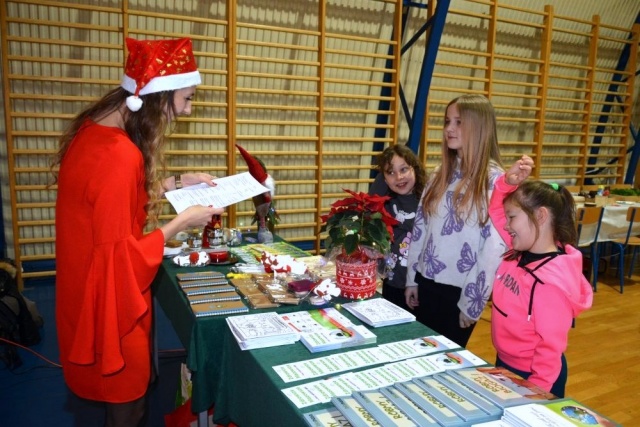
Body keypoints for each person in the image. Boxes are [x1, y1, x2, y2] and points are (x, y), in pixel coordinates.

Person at [52, 37, 224, 426]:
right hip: (111, 302)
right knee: (128, 405)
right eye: (187, 98)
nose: (187, 109)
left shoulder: (94, 131)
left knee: (122, 397)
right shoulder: (121, 155)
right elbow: (121, 258)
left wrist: (174, 183)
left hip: (85, 287)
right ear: (159, 97)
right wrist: (182, 221)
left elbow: (114, 203)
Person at [404, 94, 519, 347]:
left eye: (458, 122)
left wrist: (473, 302)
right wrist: (412, 277)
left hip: (460, 291)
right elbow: (421, 229)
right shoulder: (439, 174)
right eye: (447, 121)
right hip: (426, 282)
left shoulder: (495, 181)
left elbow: (493, 249)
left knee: (444, 358)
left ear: (479, 127)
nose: (449, 129)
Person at [488, 177, 593, 397]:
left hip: (535, 375)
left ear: (540, 216)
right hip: (506, 361)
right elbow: (496, 211)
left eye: (512, 217)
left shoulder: (550, 284)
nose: (506, 225)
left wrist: (537, 390)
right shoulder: (520, 247)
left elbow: (550, 349)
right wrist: (507, 183)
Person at [371, 145, 426, 310]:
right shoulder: (386, 201)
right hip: (391, 282)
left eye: (404, 169)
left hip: (418, 286)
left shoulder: (427, 201)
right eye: (391, 172)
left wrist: (415, 284)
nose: (399, 177)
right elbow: (368, 206)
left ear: (415, 169)